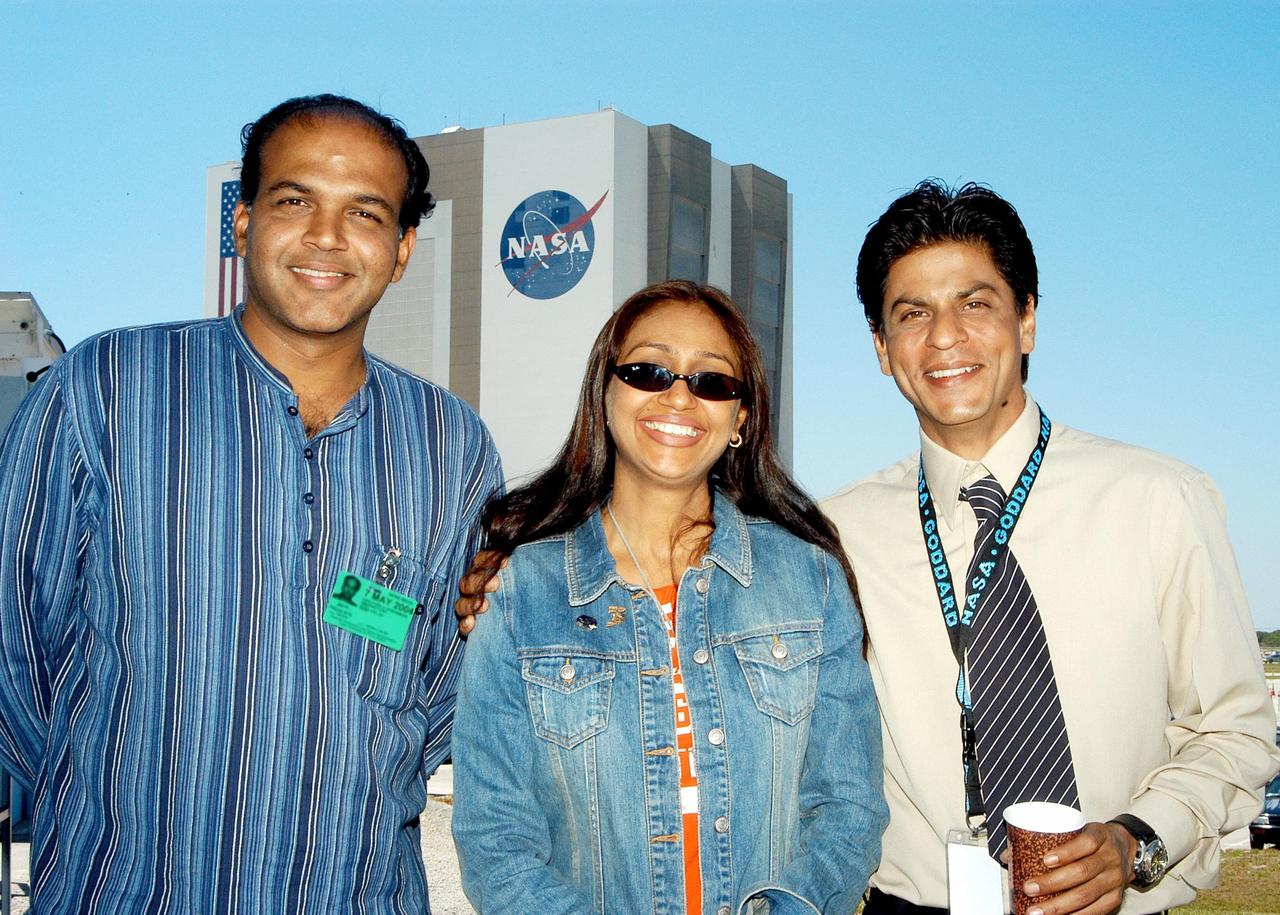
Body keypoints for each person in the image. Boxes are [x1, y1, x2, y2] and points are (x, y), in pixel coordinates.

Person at [0, 94, 501, 912]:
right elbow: (13, 650)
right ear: (242, 221)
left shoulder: (452, 445)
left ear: (403, 248)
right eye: (295, 199)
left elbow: (442, 687)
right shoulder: (107, 389)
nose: (327, 238)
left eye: (365, 212)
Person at [822, 180, 1280, 914]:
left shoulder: (1161, 499)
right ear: (882, 347)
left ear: (1027, 319)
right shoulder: (832, 536)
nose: (945, 337)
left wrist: (1137, 840)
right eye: (913, 314)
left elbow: (1236, 726)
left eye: (976, 303)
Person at [450, 280, 887, 913]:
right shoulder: (522, 592)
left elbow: (848, 807)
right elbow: (496, 839)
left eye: (711, 381)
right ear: (605, 392)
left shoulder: (808, 579)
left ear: (741, 418)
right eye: (649, 371)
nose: (679, 395)